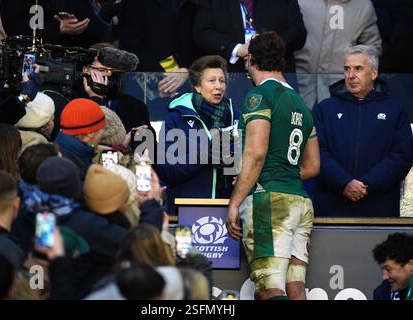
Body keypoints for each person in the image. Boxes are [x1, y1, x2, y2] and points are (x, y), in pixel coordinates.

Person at [226, 31, 320, 300]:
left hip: (269, 202)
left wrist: (234, 202)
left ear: (251, 60)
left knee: (269, 289)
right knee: (295, 287)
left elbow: (256, 154)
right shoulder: (301, 104)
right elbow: (313, 165)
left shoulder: (259, 96)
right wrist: (282, 172)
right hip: (300, 202)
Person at [313, 45, 413, 217]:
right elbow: (316, 152)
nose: (351, 76)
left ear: (373, 74)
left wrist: (366, 184)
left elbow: (402, 156)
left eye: (358, 69)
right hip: (331, 210)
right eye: (347, 69)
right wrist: (344, 183)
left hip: (379, 210)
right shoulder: (324, 109)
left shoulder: (395, 111)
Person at [156, 55, 240, 214]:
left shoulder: (235, 117)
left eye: (222, 81)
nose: (219, 86)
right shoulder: (177, 118)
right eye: (212, 81)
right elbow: (167, 170)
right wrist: (205, 155)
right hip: (187, 209)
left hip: (229, 211)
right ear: (197, 86)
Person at [295, 0, 382, 109]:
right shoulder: (301, 1)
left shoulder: (363, 5)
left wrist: (356, 67)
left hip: (340, 87)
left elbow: (373, 47)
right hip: (300, 81)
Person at [193, 0, 306, 72]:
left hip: (275, 76)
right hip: (230, 77)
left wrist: (265, 49)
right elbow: (202, 33)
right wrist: (236, 49)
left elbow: (298, 33)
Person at [83, 46, 152, 134]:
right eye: (90, 69)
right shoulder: (76, 100)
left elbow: (149, 145)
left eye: (101, 70)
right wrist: (96, 100)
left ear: (115, 78)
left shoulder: (136, 107)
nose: (88, 73)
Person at [54, 98, 106, 180]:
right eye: (102, 128)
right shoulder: (73, 172)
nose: (103, 132)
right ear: (90, 133)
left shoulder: (58, 151)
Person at [372, 233, 413, 300]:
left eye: (388, 269)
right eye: (383, 270)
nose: (384, 277)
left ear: (411, 265)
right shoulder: (382, 292)